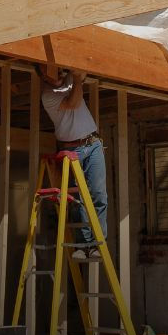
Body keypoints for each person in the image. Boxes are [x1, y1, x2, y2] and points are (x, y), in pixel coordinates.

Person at [37, 65, 107, 260]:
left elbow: (82, 70)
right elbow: (74, 103)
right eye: (51, 70)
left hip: (93, 144)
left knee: (99, 195)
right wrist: (77, 79)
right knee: (80, 198)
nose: (57, 71)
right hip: (73, 149)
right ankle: (83, 245)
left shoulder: (68, 79)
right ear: (43, 74)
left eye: (58, 68)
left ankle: (97, 244)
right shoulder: (48, 96)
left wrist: (77, 70)